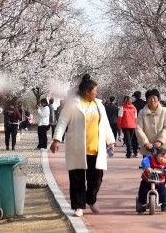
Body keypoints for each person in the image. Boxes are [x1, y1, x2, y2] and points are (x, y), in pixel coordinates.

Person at [50, 74, 116, 218]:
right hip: (77, 148)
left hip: (96, 149)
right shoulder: (73, 104)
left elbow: (105, 124)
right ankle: (78, 206)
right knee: (77, 179)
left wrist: (111, 141)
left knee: (96, 179)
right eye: (95, 91)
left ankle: (91, 200)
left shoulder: (99, 105)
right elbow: (62, 122)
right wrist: (56, 139)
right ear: (87, 92)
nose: (96, 93)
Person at [136, 145, 166, 213]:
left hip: (159, 181)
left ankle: (164, 203)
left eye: (165, 157)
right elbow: (145, 161)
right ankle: (141, 203)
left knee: (162, 190)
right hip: (147, 179)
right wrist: (147, 167)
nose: (163, 159)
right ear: (156, 155)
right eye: (161, 156)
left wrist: (165, 171)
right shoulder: (150, 158)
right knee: (143, 189)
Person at [136, 88, 166, 153]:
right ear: (147, 100)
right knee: (147, 163)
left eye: (154, 98)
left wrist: (160, 140)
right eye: (150, 98)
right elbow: (138, 129)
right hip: (147, 148)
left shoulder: (164, 111)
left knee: (162, 162)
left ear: (158, 99)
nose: (152, 100)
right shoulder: (142, 113)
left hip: (163, 147)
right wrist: (146, 143)